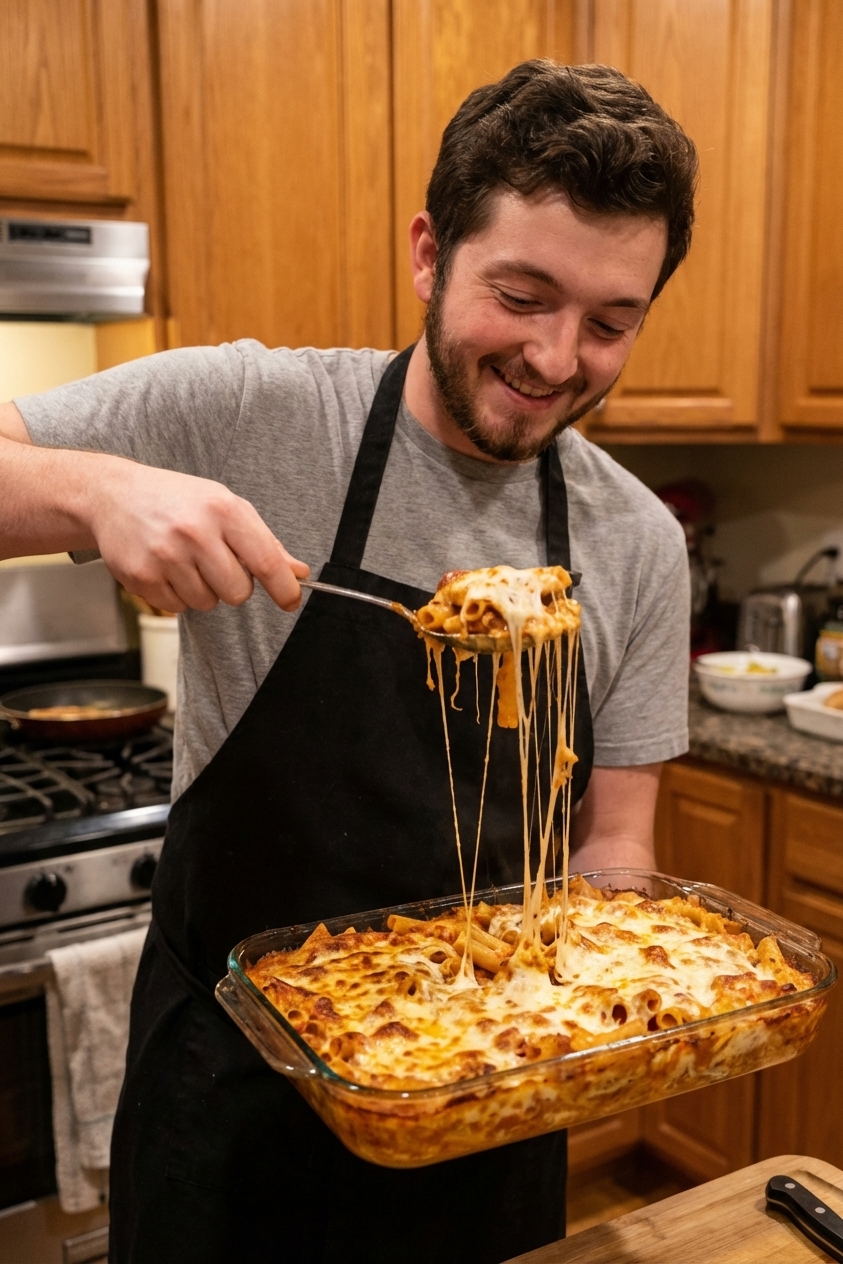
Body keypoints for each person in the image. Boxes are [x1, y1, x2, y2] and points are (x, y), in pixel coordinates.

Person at [0, 60, 696, 1264]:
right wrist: (90, 483)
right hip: (232, 1100)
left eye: (611, 322)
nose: (555, 356)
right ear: (429, 254)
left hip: (491, 1089)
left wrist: (612, 995)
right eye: (521, 295)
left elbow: (615, 843)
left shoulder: (635, 540)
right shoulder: (254, 413)